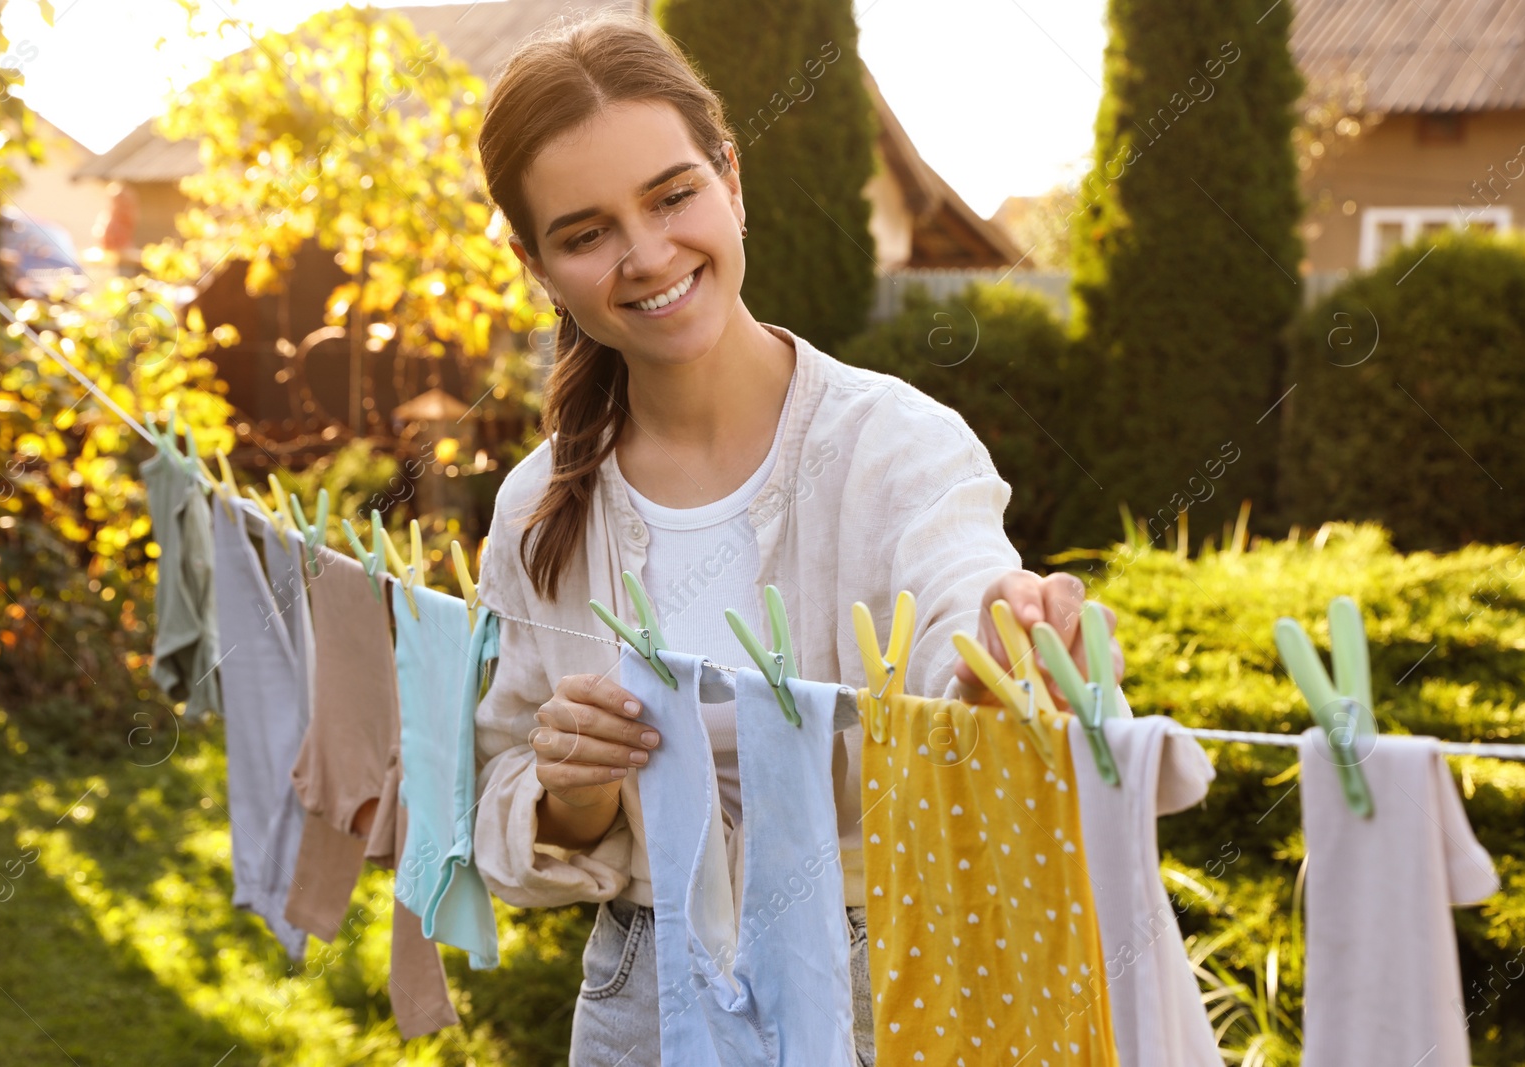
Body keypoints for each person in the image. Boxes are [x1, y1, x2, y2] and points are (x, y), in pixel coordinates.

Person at [469, 12, 1125, 1065]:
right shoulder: (539, 504)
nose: (646, 255)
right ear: (536, 261)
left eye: (672, 194)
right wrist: (573, 789)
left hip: (881, 986)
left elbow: (957, 594)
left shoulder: (896, 445)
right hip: (641, 996)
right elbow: (502, 809)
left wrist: (1004, 642)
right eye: (585, 232)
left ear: (729, 178)